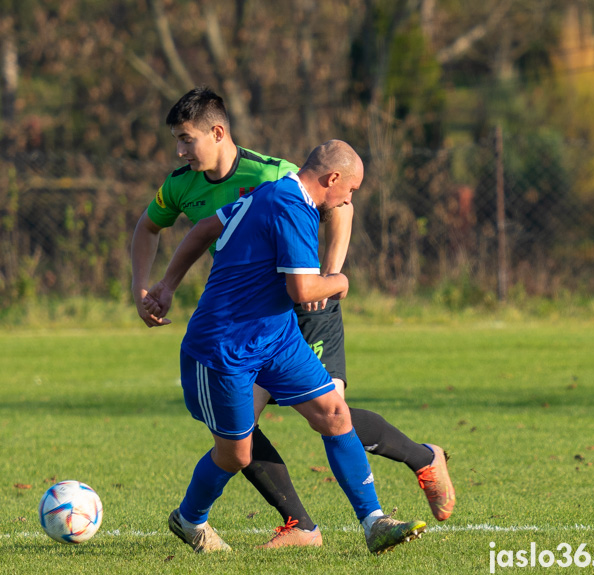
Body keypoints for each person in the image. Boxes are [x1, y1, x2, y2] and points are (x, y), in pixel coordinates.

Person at [131, 88, 454, 548]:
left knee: (333, 412)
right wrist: (340, 281)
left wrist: (167, 284)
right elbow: (302, 290)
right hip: (223, 348)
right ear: (333, 178)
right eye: (350, 191)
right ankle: (189, 518)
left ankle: (374, 522)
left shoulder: (272, 186)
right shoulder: (291, 207)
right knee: (235, 453)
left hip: (277, 339)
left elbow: (207, 227)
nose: (347, 201)